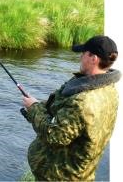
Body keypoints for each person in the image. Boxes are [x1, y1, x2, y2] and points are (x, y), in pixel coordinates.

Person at [21, 35, 121, 181]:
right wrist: (39, 105)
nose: (80, 57)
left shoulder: (82, 102)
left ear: (94, 58)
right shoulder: (109, 90)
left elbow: (54, 135)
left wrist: (34, 108)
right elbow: (69, 115)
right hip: (83, 173)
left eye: (84, 53)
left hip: (62, 177)